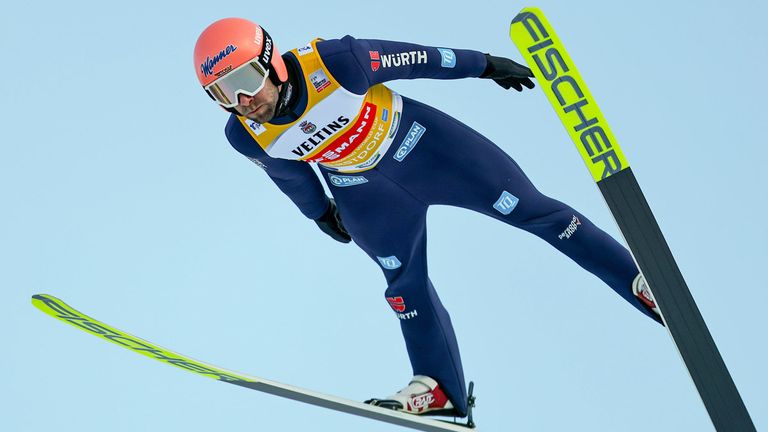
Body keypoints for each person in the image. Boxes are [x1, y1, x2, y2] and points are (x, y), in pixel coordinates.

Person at [193, 17, 662, 419]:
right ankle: (440, 392)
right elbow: (288, 175)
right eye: (221, 93)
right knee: (403, 286)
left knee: (533, 211)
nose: (241, 101)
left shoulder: (335, 62)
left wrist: (484, 65)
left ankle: (639, 283)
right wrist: (319, 213)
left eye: (244, 83)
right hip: (366, 193)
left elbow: (417, 59)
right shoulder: (245, 134)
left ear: (271, 62)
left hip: (428, 148)